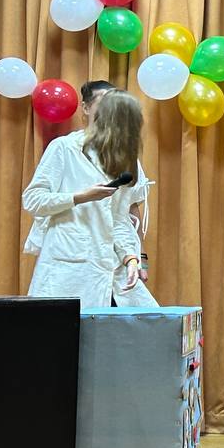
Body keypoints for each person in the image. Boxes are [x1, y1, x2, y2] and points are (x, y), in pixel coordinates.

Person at [22, 90, 158, 308]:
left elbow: (120, 220)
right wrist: (80, 197)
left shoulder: (124, 159)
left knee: (145, 323)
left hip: (113, 272)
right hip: (68, 270)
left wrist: (131, 258)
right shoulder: (64, 148)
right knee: (66, 327)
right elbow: (33, 200)